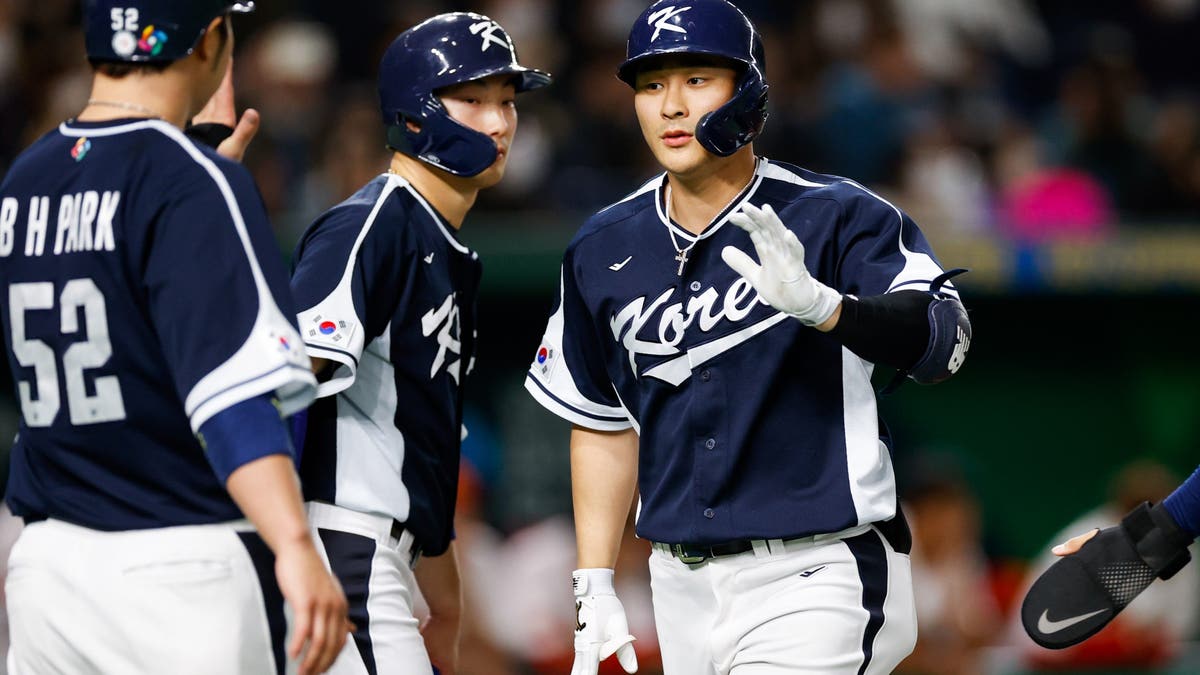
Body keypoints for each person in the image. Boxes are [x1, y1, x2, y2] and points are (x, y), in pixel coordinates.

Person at [523, 1, 972, 673]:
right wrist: (594, 578)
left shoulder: (835, 214)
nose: (671, 105)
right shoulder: (602, 245)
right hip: (679, 585)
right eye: (651, 84)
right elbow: (600, 420)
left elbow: (944, 339)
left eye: (697, 80)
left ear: (749, 93)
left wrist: (828, 309)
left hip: (818, 569)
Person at [0, 2, 350, 674]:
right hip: (178, 569)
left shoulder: (25, 179)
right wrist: (295, 545)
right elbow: (235, 400)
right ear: (210, 39)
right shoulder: (192, 181)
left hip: (45, 569)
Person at [288, 13, 551, 675]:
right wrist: (285, 547)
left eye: (507, 102)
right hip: (341, 547)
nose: (499, 122)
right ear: (413, 114)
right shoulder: (372, 224)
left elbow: (422, 443)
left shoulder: (444, 246)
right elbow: (283, 382)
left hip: (383, 556)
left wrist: (445, 589)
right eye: (473, 100)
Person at [1021, 461, 1200, 652]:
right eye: (1134, 503)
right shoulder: (1090, 534)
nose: (1144, 507)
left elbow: (1178, 627)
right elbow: (1039, 628)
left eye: (1152, 502)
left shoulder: (1180, 549)